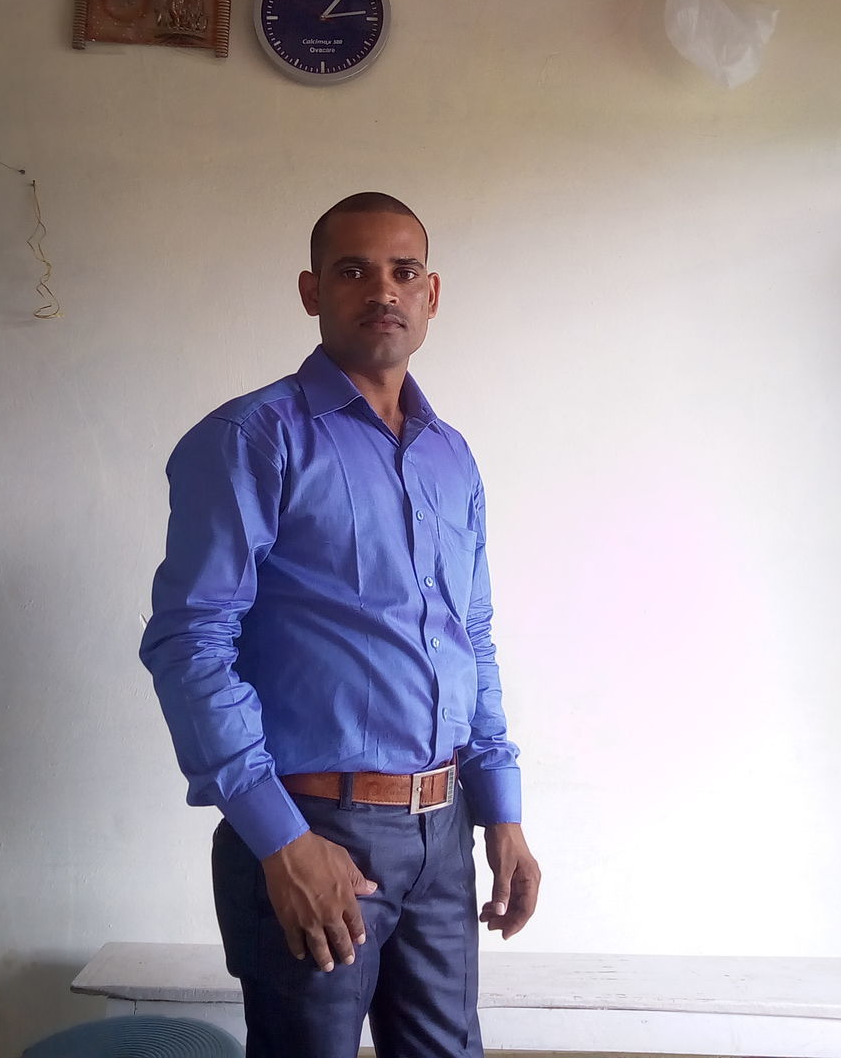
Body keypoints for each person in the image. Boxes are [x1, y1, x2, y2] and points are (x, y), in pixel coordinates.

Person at [140, 193, 540, 1058]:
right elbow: (190, 643)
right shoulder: (253, 439)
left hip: (444, 829)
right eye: (352, 270)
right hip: (315, 830)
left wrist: (499, 809)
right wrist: (280, 840)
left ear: (432, 295)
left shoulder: (450, 455)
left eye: (403, 272)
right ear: (310, 291)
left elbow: (470, 638)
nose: (381, 290)